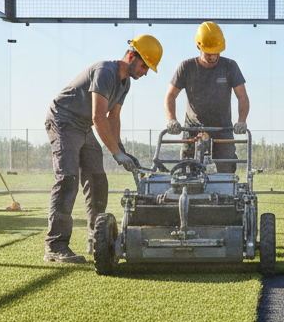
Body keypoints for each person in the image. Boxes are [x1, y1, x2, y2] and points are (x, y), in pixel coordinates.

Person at [43, 35, 162, 263]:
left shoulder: (125, 83)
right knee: (67, 179)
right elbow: (99, 116)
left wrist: (121, 149)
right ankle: (55, 246)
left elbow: (113, 116)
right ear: (131, 55)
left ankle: (96, 238)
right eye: (145, 65)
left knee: (98, 180)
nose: (146, 72)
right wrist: (116, 153)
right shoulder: (105, 72)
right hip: (64, 120)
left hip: (83, 125)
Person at [164, 21, 249, 174]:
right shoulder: (186, 67)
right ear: (198, 46)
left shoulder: (230, 66)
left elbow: (242, 96)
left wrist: (241, 121)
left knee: (227, 168)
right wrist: (172, 119)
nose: (213, 57)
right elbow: (170, 95)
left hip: (223, 128)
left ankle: (226, 195)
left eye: (216, 52)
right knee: (187, 170)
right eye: (209, 53)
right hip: (192, 128)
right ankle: (187, 194)